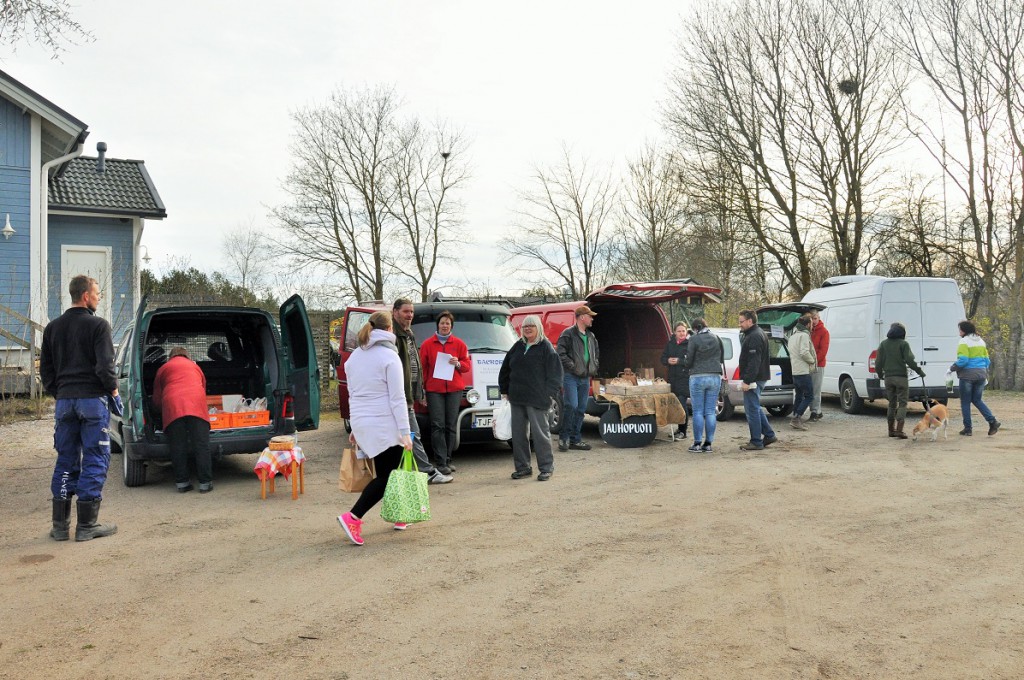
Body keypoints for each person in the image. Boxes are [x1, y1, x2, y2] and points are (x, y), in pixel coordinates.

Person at [39, 274, 119, 542]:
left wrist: (59, 392)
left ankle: (60, 527)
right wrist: (114, 390)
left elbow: (46, 369)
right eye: (97, 293)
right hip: (92, 401)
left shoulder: (52, 328)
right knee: (96, 458)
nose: (98, 298)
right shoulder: (98, 326)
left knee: (66, 460)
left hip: (65, 403)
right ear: (85, 296)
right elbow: (105, 366)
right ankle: (87, 525)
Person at [337, 311, 414, 545]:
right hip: (384, 423)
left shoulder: (354, 358)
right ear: (389, 329)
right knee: (389, 475)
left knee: (389, 471)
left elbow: (354, 394)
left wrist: (355, 426)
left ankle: (399, 515)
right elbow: (398, 398)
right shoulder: (390, 358)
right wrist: (405, 431)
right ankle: (353, 516)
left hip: (363, 421)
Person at [392, 299, 453, 484]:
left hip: (408, 394)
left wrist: (419, 392)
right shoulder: (394, 334)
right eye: (405, 311)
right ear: (395, 312)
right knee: (413, 434)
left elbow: (414, 366)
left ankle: (399, 472)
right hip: (399, 395)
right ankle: (427, 472)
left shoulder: (408, 333)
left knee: (405, 435)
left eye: (411, 312)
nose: (410, 315)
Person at [498, 315, 563, 481]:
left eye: (531, 326)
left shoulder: (546, 347)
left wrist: (548, 394)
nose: (527, 329)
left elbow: (555, 374)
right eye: (525, 326)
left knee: (540, 434)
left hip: (537, 399)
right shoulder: (517, 346)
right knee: (518, 435)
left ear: (538, 328)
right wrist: (505, 389)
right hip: (517, 398)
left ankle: (546, 468)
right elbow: (505, 368)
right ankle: (523, 467)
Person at [152, 347, 212, 493]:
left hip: (173, 407)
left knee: (178, 446)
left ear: (171, 356)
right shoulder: (195, 367)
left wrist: (158, 412)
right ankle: (205, 483)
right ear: (187, 355)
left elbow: (157, 398)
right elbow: (203, 388)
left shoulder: (163, 368)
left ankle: (182, 483)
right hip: (196, 405)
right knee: (201, 445)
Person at [419, 311, 470, 475]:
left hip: (454, 389)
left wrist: (458, 364)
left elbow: (467, 366)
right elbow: (423, 369)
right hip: (435, 390)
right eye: (442, 323)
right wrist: (424, 390)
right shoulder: (427, 344)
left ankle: (448, 459)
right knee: (437, 425)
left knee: (451, 425)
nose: (445, 326)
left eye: (448, 323)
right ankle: (440, 461)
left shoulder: (460, 344)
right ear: (438, 325)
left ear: (451, 326)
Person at [556, 305, 599, 452]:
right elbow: (560, 353)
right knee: (571, 405)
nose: (592, 319)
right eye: (590, 316)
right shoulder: (567, 334)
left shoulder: (591, 336)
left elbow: (596, 354)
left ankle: (575, 439)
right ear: (582, 317)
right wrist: (573, 366)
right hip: (571, 376)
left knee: (581, 408)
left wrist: (594, 366)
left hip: (585, 377)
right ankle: (564, 437)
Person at [737, 310, 779, 451]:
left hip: (755, 378)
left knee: (752, 410)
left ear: (750, 321)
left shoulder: (754, 336)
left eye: (741, 321)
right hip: (759, 377)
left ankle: (756, 441)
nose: (740, 324)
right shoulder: (757, 333)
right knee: (755, 407)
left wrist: (747, 381)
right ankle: (769, 434)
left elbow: (754, 361)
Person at [950, 320, 1001, 437]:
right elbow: (987, 360)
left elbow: (963, 360)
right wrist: (982, 370)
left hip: (967, 375)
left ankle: (968, 429)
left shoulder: (963, 341)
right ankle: (992, 421)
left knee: (965, 402)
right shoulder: (981, 341)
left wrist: (952, 368)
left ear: (964, 331)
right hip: (981, 374)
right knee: (977, 400)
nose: (959, 332)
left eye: (960, 330)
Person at [875, 321, 924, 439]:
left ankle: (890, 430)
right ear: (902, 333)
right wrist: (919, 371)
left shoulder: (883, 344)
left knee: (891, 404)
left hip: (888, 378)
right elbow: (910, 360)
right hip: (901, 378)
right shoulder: (904, 344)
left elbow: (878, 362)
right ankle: (899, 430)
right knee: (902, 403)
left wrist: (880, 374)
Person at [682, 318, 724, 453]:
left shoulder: (694, 339)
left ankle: (697, 443)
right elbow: (721, 358)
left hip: (698, 377)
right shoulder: (717, 338)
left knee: (698, 411)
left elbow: (689, 361)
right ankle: (708, 444)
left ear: (696, 328)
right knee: (710, 411)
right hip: (715, 376)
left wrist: (684, 362)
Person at [660, 322, 690, 442]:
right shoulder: (670, 344)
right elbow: (662, 358)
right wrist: (668, 360)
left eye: (683, 331)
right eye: (679, 331)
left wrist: (679, 361)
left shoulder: (690, 345)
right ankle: (679, 429)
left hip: (685, 379)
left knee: (682, 405)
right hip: (673, 379)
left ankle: (683, 431)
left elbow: (691, 361)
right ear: (674, 332)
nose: (682, 333)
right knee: (675, 405)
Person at [788, 314, 817, 431]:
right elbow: (804, 352)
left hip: (795, 371)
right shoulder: (804, 336)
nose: (812, 325)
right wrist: (812, 361)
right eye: (811, 322)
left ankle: (795, 418)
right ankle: (796, 418)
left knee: (799, 396)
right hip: (803, 371)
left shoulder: (792, 336)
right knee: (810, 396)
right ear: (807, 324)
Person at [808, 310, 829, 421]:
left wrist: (814, 362)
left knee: (816, 389)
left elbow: (823, 350)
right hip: (809, 363)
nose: (814, 321)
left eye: (815, 319)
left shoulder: (824, 332)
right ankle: (816, 410)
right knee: (810, 389)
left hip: (818, 364)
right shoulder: (809, 331)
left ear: (819, 318)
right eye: (812, 319)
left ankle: (815, 411)